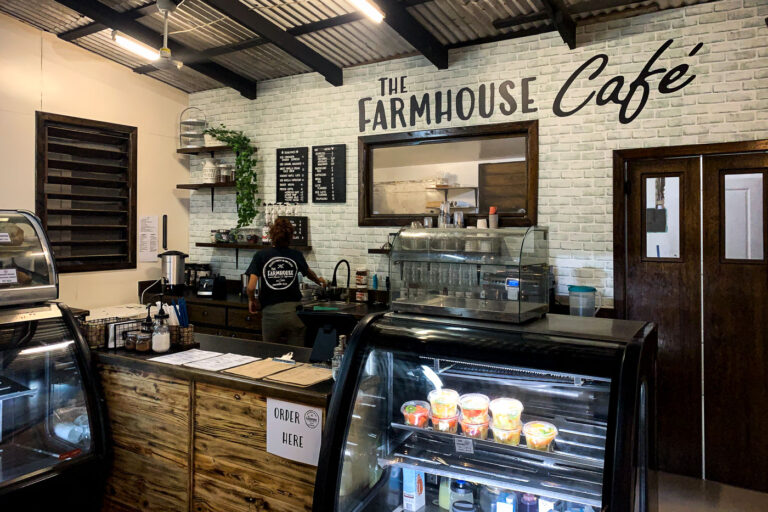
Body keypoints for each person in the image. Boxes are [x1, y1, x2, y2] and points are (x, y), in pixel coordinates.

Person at [246, 217, 325, 345]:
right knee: (297, 354)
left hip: (270, 315)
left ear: (271, 235)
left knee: (271, 354)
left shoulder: (261, 255)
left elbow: (250, 287)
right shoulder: (296, 255)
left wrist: (251, 300)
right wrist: (319, 281)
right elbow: (309, 273)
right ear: (291, 236)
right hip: (294, 314)